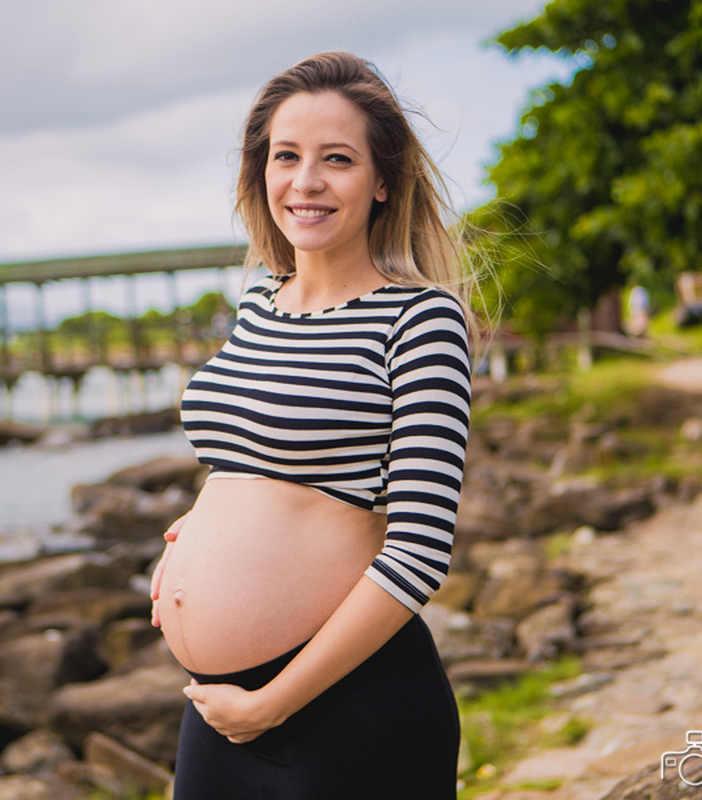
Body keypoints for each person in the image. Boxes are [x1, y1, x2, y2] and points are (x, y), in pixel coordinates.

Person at [150, 51, 474, 799]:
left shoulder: (421, 320)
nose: (306, 181)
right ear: (261, 172)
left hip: (347, 707)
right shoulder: (260, 302)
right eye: (286, 156)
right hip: (222, 707)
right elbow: (249, 461)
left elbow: (421, 549)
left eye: (338, 159)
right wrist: (192, 534)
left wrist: (273, 703)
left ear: (383, 180)